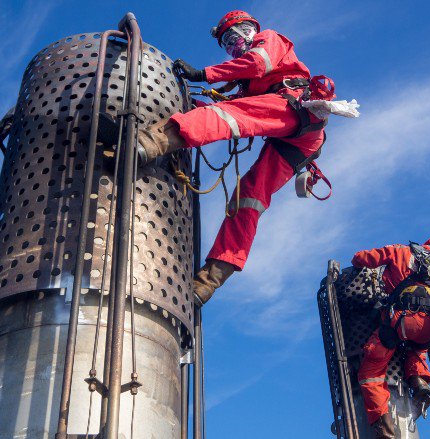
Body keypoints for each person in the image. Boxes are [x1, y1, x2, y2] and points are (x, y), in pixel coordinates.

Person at [134, 10, 331, 304]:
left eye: (234, 38)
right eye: (227, 44)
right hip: (299, 140)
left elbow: (256, 64)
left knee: (224, 117)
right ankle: (208, 282)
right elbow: (231, 104)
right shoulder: (249, 87)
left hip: (295, 108)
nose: (233, 47)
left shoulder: (270, 40)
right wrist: (189, 102)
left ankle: (147, 144)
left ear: (249, 29)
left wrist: (204, 74)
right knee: (249, 196)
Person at [351, 237, 430, 438]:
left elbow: (362, 258)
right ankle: (420, 382)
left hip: (397, 323)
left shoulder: (400, 251)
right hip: (425, 328)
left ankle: (384, 428)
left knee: (371, 372)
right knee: (417, 352)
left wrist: (359, 263)